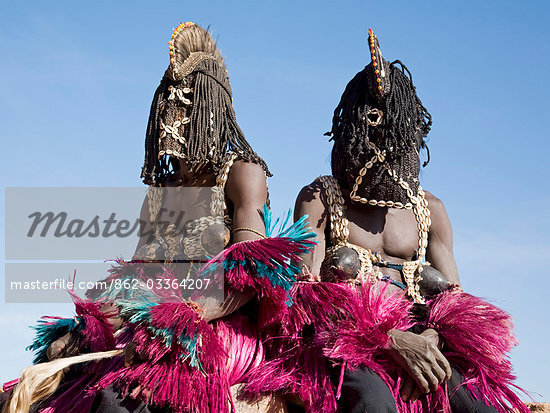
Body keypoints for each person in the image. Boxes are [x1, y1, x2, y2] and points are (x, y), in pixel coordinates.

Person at [1, 22, 313, 413]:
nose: (171, 114)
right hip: (149, 325)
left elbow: (251, 275)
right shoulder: (159, 191)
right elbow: (135, 277)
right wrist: (88, 328)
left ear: (209, 109)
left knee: (116, 403)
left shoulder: (241, 172)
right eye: (166, 102)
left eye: (184, 104)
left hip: (212, 331)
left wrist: (180, 319)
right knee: (35, 391)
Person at [244, 29, 528, 413]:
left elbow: (456, 301)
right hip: (346, 348)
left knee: (480, 407)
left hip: (426, 344)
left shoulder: (431, 209)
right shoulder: (319, 199)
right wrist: (392, 341)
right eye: (370, 125)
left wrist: (429, 341)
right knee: (374, 404)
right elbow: (306, 297)